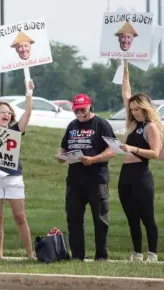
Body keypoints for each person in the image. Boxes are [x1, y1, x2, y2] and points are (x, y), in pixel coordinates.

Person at [0, 80, 36, 260]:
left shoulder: (15, 131)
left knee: (20, 216)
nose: (7, 114)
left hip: (13, 178)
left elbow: (28, 113)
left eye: (9, 113)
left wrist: (29, 93)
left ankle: (30, 253)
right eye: (3, 112)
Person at [57, 93, 117, 261]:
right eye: (76, 110)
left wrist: (93, 159)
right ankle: (77, 255)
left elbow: (112, 151)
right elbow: (64, 147)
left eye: (82, 109)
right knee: (74, 218)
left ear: (90, 106)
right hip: (75, 179)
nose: (79, 113)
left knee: (100, 218)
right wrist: (61, 156)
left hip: (96, 178)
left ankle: (101, 256)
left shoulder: (101, 124)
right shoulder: (72, 125)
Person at [117, 61, 162, 262]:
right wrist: (124, 67)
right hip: (125, 173)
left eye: (137, 109)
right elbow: (126, 93)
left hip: (141, 174)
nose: (133, 112)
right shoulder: (132, 124)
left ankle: (152, 253)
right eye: (132, 109)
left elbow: (155, 152)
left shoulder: (151, 126)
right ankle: (136, 252)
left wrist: (132, 148)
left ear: (145, 108)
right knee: (131, 216)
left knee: (146, 215)